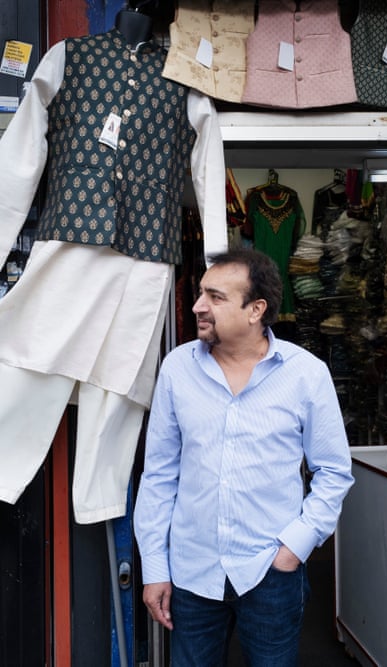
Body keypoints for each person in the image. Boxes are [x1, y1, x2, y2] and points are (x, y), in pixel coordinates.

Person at [0, 1, 227, 523]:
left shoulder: (183, 75)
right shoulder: (67, 56)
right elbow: (19, 157)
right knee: (33, 349)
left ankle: (99, 498)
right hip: (71, 237)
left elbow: (207, 158)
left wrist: (215, 259)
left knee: (122, 375)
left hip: (147, 251)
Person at [134, 247, 354, 666]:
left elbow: (333, 472)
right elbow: (159, 475)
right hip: (191, 573)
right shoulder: (177, 369)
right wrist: (156, 568)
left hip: (270, 573)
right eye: (201, 294)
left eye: (215, 297)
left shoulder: (305, 374)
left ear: (256, 309)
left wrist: (293, 549)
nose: (199, 306)